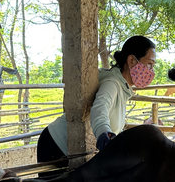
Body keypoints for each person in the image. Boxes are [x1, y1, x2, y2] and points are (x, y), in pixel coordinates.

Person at [37, 35, 157, 169]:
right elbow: (100, 108)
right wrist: (104, 134)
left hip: (63, 146)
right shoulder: (113, 83)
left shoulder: (123, 87)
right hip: (56, 145)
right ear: (131, 60)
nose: (151, 71)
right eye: (149, 64)